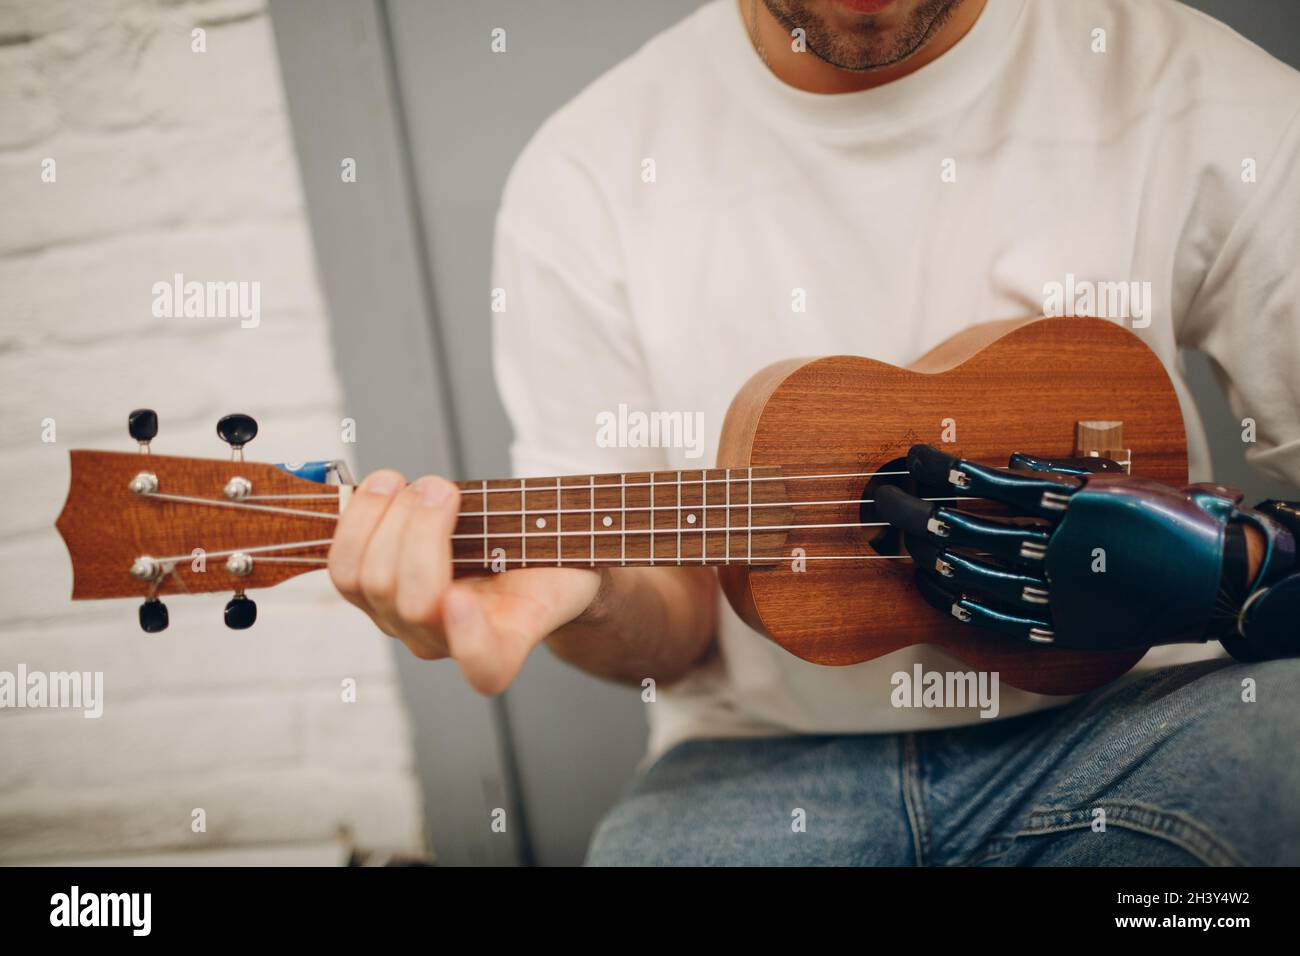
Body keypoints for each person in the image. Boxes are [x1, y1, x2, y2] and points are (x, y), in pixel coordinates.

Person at [327, 0, 1300, 865]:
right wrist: (587, 594)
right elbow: (669, 623)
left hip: (1138, 720)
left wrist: (1234, 567)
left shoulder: (1201, 92)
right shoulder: (582, 172)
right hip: (758, 764)